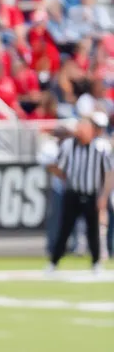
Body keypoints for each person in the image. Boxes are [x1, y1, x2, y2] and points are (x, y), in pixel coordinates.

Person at [47, 112, 113, 273]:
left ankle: (96, 262)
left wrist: (104, 195)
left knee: (93, 230)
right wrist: (58, 173)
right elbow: (59, 167)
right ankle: (54, 262)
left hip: (91, 193)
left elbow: (109, 172)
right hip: (72, 193)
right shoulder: (68, 145)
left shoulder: (100, 148)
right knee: (65, 229)